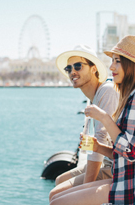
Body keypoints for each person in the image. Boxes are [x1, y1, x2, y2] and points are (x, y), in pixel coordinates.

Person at [50, 35, 135, 205]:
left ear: (131, 65)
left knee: (57, 201)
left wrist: (103, 117)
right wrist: (97, 146)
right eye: (69, 68)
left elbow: (131, 152)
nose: (111, 66)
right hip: (124, 176)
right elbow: (125, 152)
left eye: (117, 61)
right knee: (57, 197)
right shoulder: (133, 95)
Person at [49, 45, 119, 201]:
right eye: (69, 68)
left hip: (116, 166)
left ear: (94, 69)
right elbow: (92, 143)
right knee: (59, 180)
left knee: (55, 196)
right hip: (107, 162)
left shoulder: (107, 91)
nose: (72, 71)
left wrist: (85, 189)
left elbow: (100, 139)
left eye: (78, 66)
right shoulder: (93, 97)